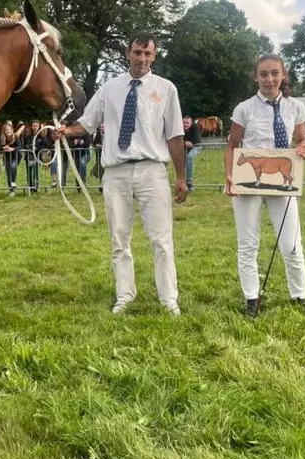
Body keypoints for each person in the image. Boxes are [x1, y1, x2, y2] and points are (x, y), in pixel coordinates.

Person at [55, 31, 188, 316]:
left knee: (161, 239)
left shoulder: (166, 89)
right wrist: (65, 130)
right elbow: (87, 123)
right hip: (115, 172)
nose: (141, 58)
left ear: (154, 56)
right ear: (128, 53)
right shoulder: (109, 89)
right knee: (119, 239)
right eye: (137, 52)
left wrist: (180, 177)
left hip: (152, 170)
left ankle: (169, 299)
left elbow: (175, 136)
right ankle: (124, 295)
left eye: (147, 53)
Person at [224, 53, 305, 319]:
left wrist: (303, 149)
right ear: (255, 77)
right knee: (248, 243)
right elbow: (232, 145)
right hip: (249, 181)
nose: (269, 79)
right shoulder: (244, 109)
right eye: (263, 74)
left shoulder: (295, 107)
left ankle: (299, 296)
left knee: (291, 244)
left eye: (274, 73)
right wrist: (229, 176)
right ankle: (252, 299)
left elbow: (301, 140)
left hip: (280, 182)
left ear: (283, 75)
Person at [182, 115, 202, 191]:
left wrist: (189, 143)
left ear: (191, 123)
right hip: (185, 148)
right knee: (182, 163)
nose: (185, 124)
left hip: (196, 147)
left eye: (187, 123)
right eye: (184, 122)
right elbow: (178, 139)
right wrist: (185, 142)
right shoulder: (180, 128)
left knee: (190, 157)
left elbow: (196, 141)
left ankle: (189, 180)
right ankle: (185, 184)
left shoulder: (195, 127)